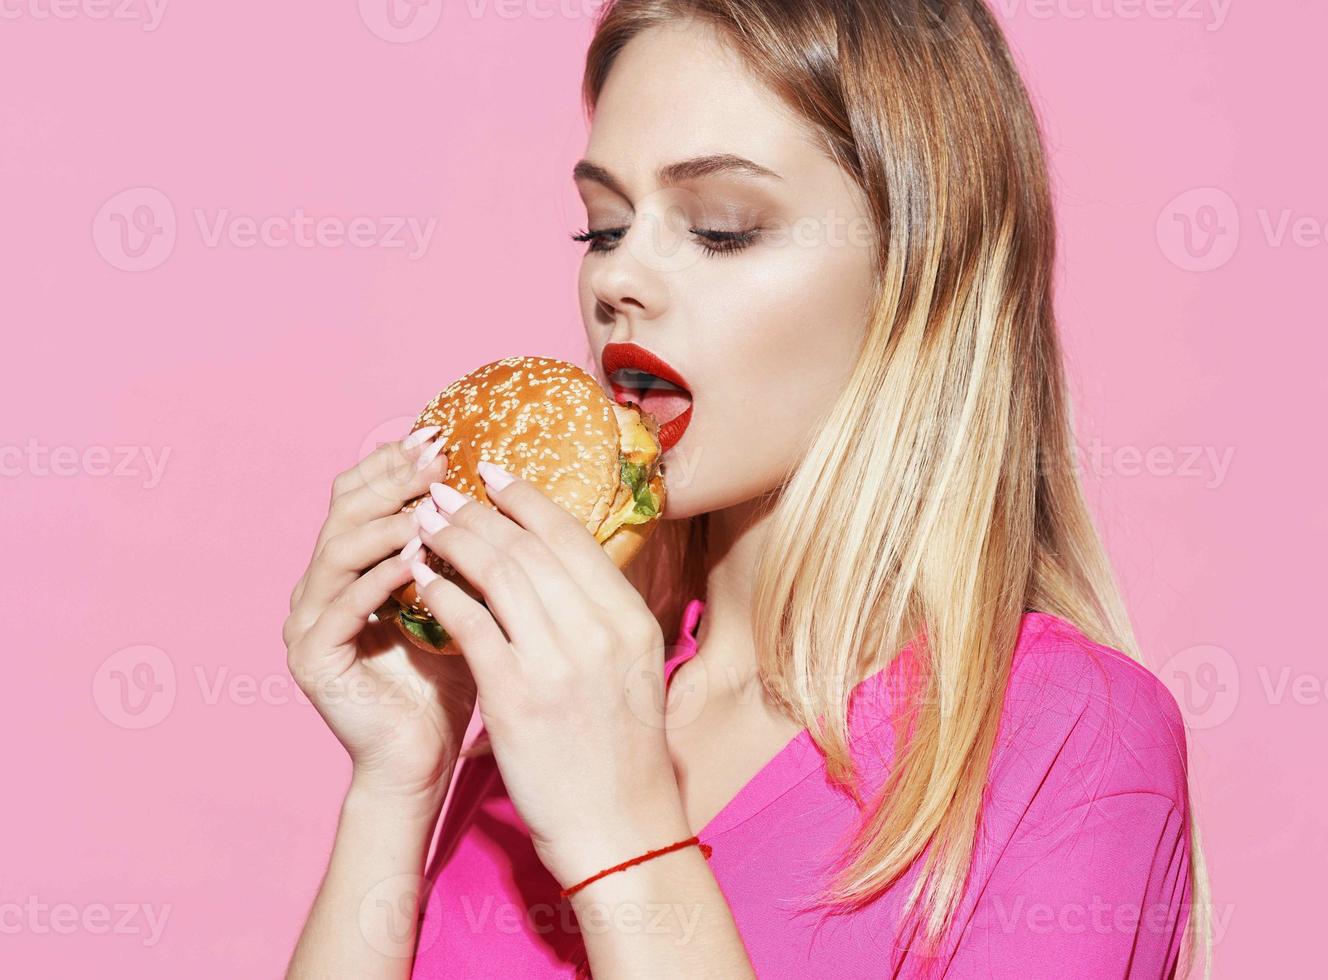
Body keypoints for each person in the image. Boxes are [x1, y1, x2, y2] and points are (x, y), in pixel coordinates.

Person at [283, 1, 1211, 976]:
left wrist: (624, 842)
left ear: (921, 274)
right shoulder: (547, 708)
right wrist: (400, 773)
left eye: (721, 229)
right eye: (603, 227)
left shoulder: (1074, 733)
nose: (619, 278)